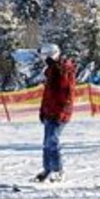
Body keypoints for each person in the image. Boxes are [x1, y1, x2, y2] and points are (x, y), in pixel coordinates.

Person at [35, 43, 75, 182]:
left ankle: (58, 170)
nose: (43, 60)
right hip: (50, 112)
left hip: (58, 113)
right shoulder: (52, 70)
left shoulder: (61, 71)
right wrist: (43, 110)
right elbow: (48, 94)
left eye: (45, 57)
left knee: (53, 141)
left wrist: (62, 111)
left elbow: (66, 94)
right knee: (47, 143)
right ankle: (48, 169)